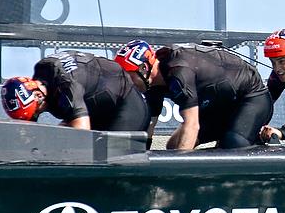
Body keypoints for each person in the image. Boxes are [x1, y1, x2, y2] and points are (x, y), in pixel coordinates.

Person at [115, 40, 273, 150]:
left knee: (233, 143)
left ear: (144, 68)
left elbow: (192, 125)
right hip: (222, 106)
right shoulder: (152, 82)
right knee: (173, 146)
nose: (127, 83)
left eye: (129, 76)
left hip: (252, 98)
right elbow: (148, 128)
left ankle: (256, 140)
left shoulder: (178, 71)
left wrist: (178, 178)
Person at [1, 50, 149, 131]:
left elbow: (81, 135)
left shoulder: (67, 87)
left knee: (113, 155)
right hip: (95, 106)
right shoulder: (42, 72)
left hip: (125, 104)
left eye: (36, 112)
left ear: (38, 95)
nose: (37, 115)